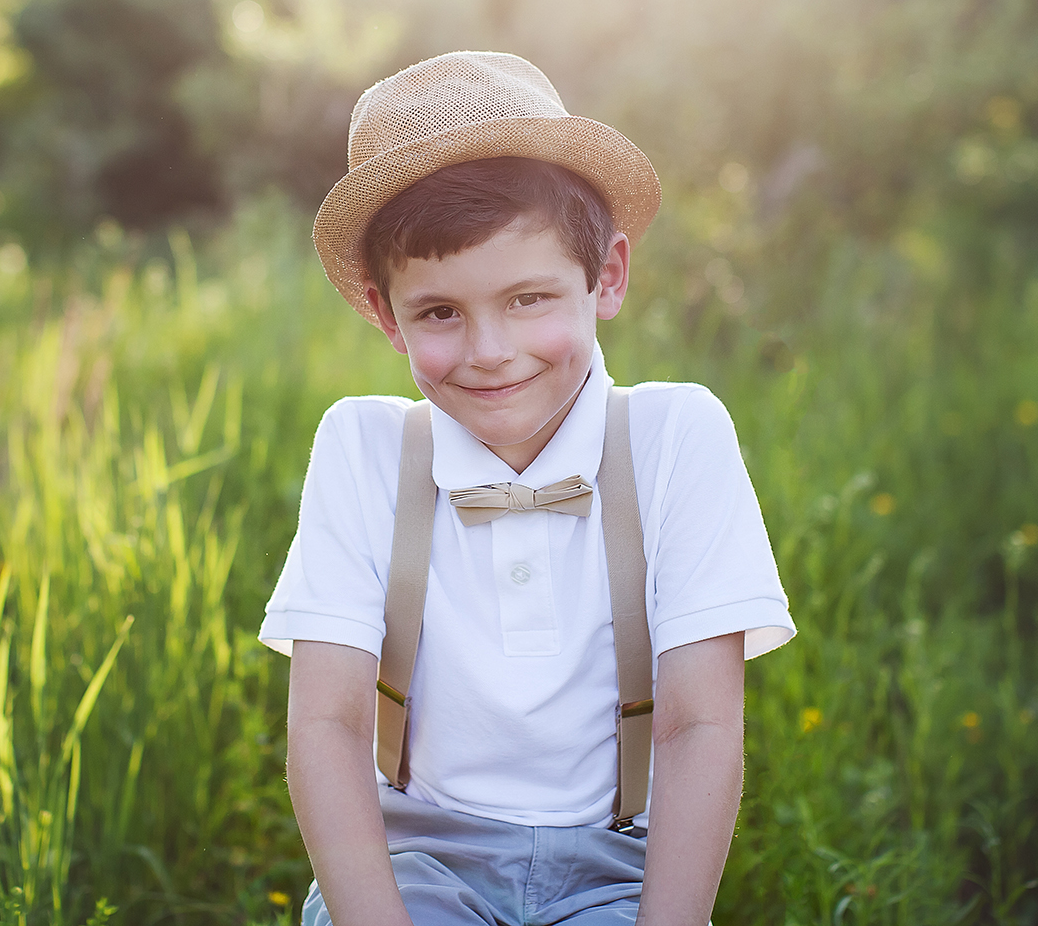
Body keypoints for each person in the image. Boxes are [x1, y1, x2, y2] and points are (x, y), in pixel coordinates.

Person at [259, 51, 795, 926]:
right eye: (440, 313)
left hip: (620, 866)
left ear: (607, 276)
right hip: (420, 861)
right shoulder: (364, 447)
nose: (490, 351)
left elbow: (698, 726)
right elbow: (328, 726)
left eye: (529, 298)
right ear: (385, 314)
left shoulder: (674, 436)